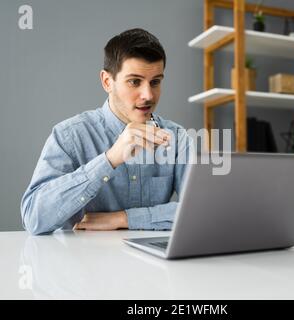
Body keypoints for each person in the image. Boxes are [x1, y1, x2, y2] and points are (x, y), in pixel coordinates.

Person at [20, 28, 191, 235]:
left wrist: (123, 218)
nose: (148, 95)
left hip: (155, 263)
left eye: (155, 82)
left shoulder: (177, 138)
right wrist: (109, 159)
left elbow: (202, 210)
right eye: (134, 81)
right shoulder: (69, 135)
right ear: (107, 82)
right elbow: (33, 218)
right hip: (84, 263)